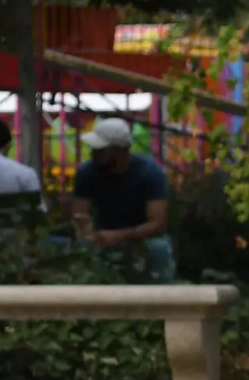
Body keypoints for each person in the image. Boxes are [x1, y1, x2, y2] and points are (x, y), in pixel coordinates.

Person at [70, 117, 174, 281]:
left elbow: (158, 224)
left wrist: (119, 235)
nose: (93, 153)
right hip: (102, 238)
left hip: (144, 239)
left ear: (120, 150)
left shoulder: (150, 173)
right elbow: (79, 214)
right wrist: (87, 234)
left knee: (158, 247)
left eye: (100, 150)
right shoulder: (87, 172)